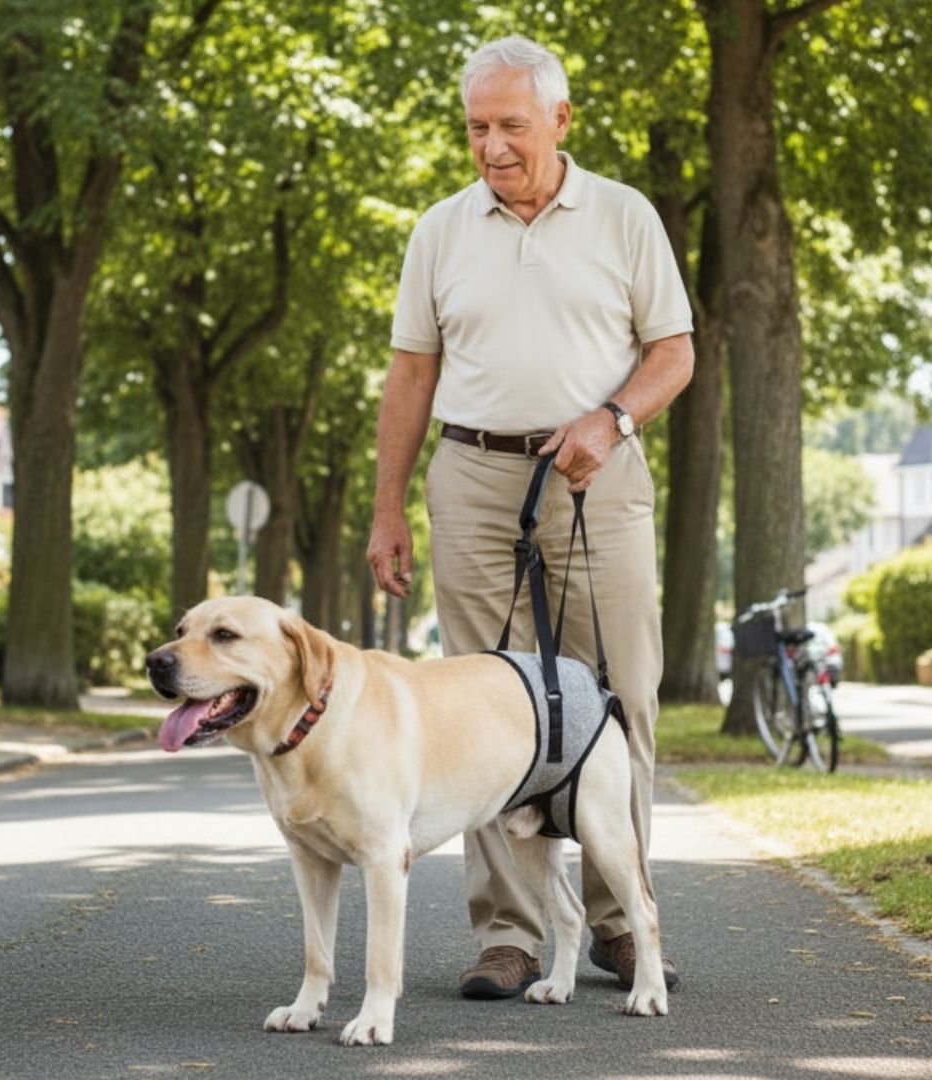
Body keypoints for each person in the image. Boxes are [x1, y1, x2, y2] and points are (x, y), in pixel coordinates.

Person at [366, 35, 694, 1000]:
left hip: (598, 474)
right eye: (477, 127)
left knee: (620, 698)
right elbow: (411, 374)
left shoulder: (624, 215)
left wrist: (614, 417)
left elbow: (674, 352)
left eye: (512, 125)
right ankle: (508, 933)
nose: (493, 146)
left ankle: (620, 922)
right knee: (480, 711)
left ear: (560, 119)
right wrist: (388, 509)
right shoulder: (440, 229)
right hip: (472, 476)